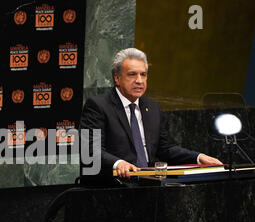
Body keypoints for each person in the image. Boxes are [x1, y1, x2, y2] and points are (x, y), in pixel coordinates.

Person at [80, 48, 222, 183]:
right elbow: (90, 151)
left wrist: (198, 157)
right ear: (117, 78)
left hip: (150, 185)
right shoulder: (97, 106)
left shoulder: (152, 107)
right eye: (132, 74)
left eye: (143, 74)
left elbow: (165, 149)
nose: (139, 81)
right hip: (112, 188)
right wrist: (118, 163)